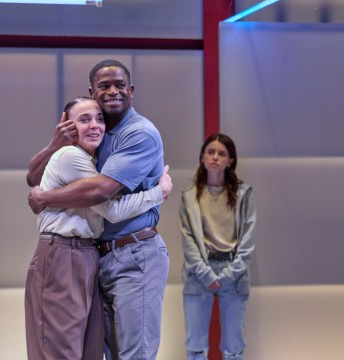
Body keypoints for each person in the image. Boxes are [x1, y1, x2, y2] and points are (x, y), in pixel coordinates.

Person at [27, 59, 170, 360]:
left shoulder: (138, 133)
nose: (113, 91)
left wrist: (46, 198)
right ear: (92, 92)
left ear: (131, 91)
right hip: (96, 254)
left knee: (133, 354)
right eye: (104, 86)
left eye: (120, 85)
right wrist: (54, 144)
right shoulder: (86, 141)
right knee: (91, 351)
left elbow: (102, 194)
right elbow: (33, 177)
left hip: (134, 253)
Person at [179, 133, 256, 360]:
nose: (215, 157)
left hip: (234, 270)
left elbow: (248, 241)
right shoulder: (189, 197)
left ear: (230, 160)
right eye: (210, 152)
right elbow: (188, 240)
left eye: (221, 153)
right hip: (198, 273)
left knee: (233, 347)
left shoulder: (244, 195)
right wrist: (205, 273)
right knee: (195, 346)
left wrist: (229, 274)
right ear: (202, 157)